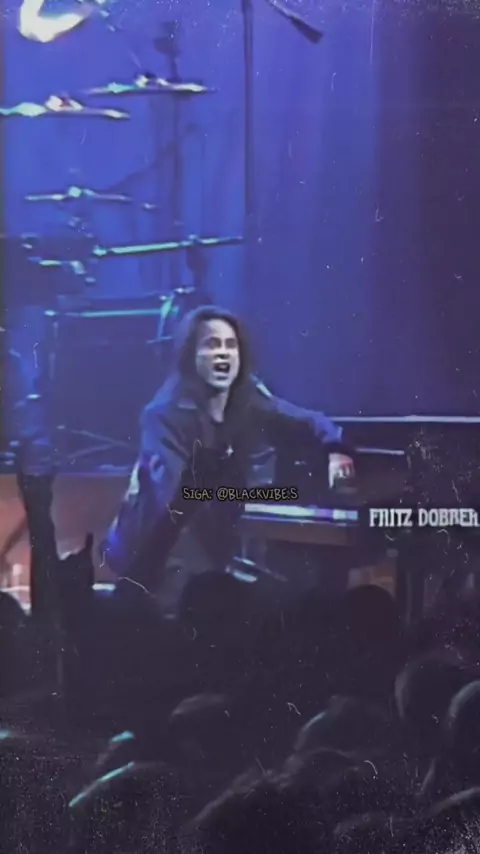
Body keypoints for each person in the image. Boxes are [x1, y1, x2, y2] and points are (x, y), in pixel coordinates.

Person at [104, 306, 355, 614]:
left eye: (230, 345)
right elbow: (178, 501)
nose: (223, 353)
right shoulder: (163, 415)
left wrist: (337, 450)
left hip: (211, 541)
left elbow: (309, 420)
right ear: (190, 355)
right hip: (161, 549)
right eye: (211, 345)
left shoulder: (248, 398)